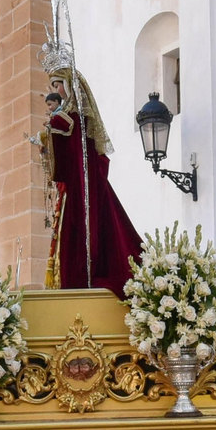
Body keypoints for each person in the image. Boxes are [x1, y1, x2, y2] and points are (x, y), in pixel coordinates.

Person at [40, 68, 141, 298]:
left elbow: (71, 158)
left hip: (79, 188)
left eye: (58, 85)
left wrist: (51, 134)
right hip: (74, 188)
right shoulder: (68, 117)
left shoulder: (72, 119)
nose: (56, 90)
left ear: (68, 85)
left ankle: (82, 277)